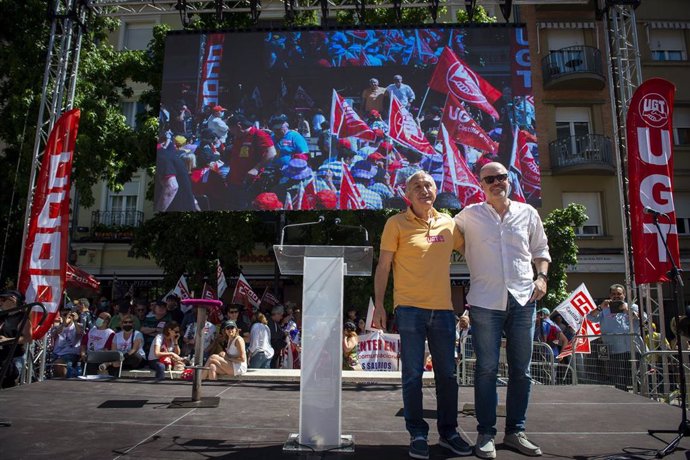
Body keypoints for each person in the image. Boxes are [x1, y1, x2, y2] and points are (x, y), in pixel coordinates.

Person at [372, 171, 471, 459]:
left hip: (443, 311)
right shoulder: (395, 224)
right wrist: (379, 304)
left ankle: (449, 432)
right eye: (417, 186)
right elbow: (383, 266)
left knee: (448, 376)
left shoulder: (449, 224)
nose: (423, 190)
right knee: (413, 375)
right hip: (409, 309)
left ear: (436, 190)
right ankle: (417, 433)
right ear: (408, 194)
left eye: (428, 185)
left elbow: (474, 255)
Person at [454, 161, 550, 458]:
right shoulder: (468, 216)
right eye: (490, 179)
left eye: (502, 177)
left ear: (510, 180)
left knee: (521, 371)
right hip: (484, 302)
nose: (497, 182)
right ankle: (485, 434)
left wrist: (543, 278)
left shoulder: (528, 212)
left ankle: (515, 432)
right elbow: (439, 234)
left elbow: (541, 251)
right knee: (486, 370)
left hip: (524, 300)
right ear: (480, 185)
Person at [587, 283, 644, 390]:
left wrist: (627, 310)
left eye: (619, 294)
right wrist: (600, 307)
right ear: (610, 295)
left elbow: (643, 319)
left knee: (637, 379)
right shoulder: (605, 308)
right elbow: (590, 317)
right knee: (619, 381)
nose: (616, 296)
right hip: (614, 351)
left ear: (624, 295)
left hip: (633, 349)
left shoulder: (632, 306)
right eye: (613, 294)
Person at [0, 290, 31, 387]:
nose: (1, 302)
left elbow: (28, 338)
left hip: (13, 357)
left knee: (7, 382)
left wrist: (7, 340)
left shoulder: (22, 318)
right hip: (1, 355)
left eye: (3, 299)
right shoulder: (2, 316)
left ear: (13, 301)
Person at [50, 307, 83, 378]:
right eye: (63, 315)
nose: (66, 317)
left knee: (58, 364)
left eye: (67, 315)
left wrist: (75, 321)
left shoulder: (78, 326)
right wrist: (64, 324)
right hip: (57, 353)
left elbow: (79, 333)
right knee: (55, 370)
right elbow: (54, 334)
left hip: (71, 354)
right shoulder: (58, 327)